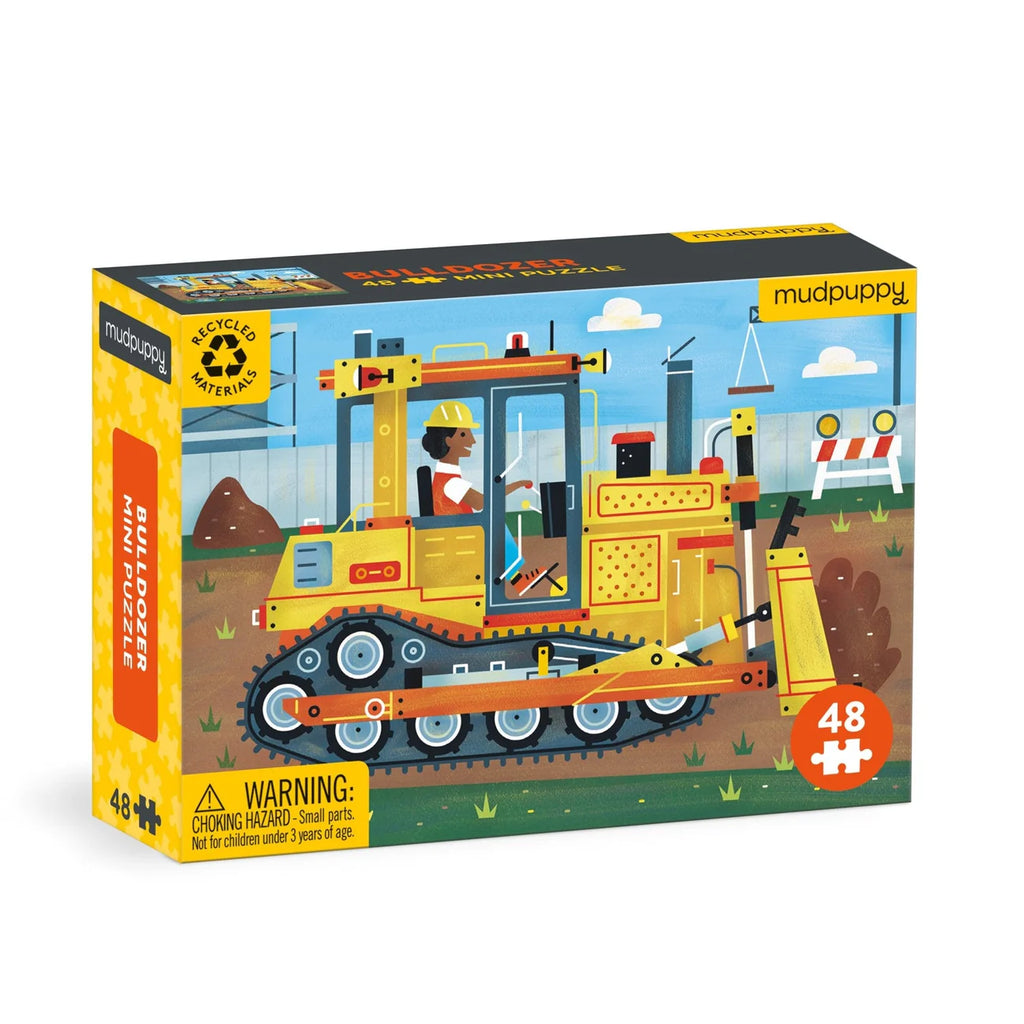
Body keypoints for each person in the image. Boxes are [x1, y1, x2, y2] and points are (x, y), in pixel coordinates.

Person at [421, 402, 551, 594]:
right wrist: (517, 485)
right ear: (448, 441)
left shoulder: (446, 478)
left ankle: (517, 578)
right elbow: (482, 502)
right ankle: (517, 580)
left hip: (460, 533)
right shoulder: (450, 483)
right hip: (461, 537)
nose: (472, 440)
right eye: (464, 434)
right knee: (496, 524)